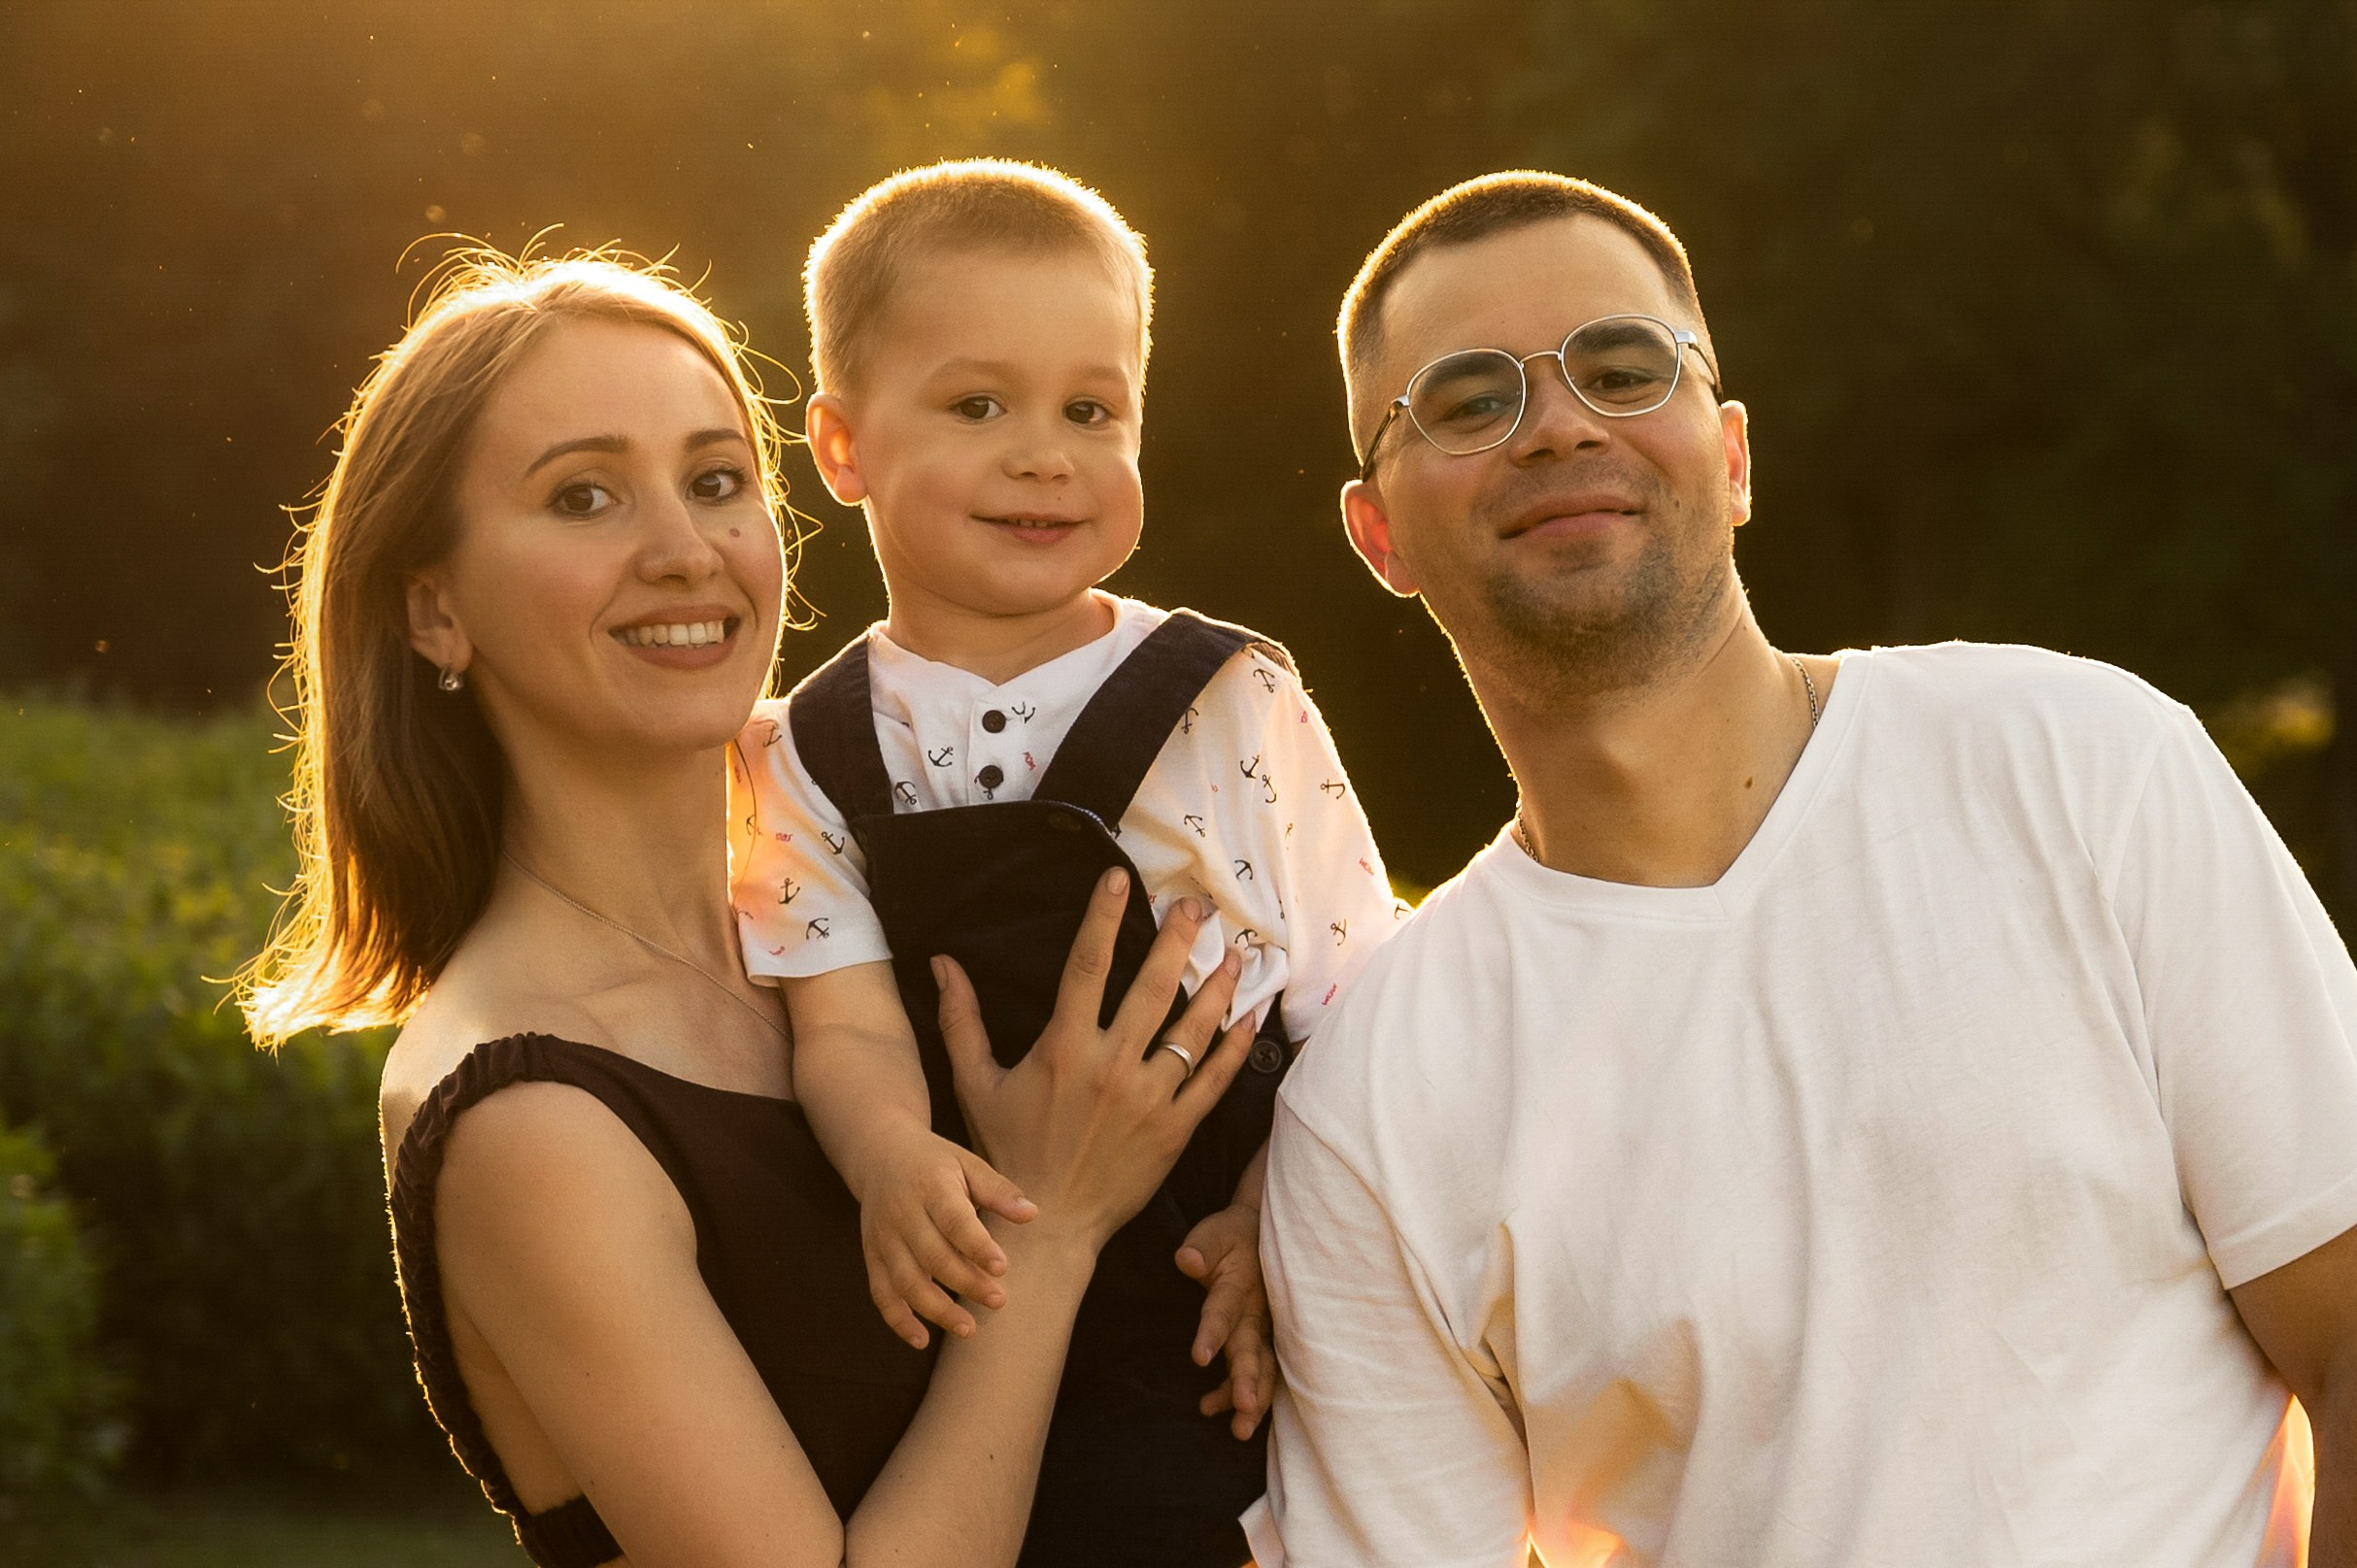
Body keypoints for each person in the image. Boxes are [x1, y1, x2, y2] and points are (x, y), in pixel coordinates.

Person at [1249, 170, 2357, 1568]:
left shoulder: (2081, 765)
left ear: (1732, 456)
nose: (1563, 424)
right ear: (1380, 537)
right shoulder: (1370, 1105)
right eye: (1470, 400)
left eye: (1622, 367)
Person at [237, 248, 1260, 1568]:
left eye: (718, 482)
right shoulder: (525, 1116)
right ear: (434, 609)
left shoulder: (905, 890)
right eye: (585, 497)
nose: (685, 552)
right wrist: (1052, 1229)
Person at [728, 159, 1402, 1567]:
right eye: (979, 406)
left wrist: (1272, 1212)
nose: (1045, 456)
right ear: (842, 448)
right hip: (968, 1291)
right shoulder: (803, 749)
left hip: (1223, 1288)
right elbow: (844, 1020)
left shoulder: (1231, 695)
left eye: (1091, 412)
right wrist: (890, 1157)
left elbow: (1357, 999)